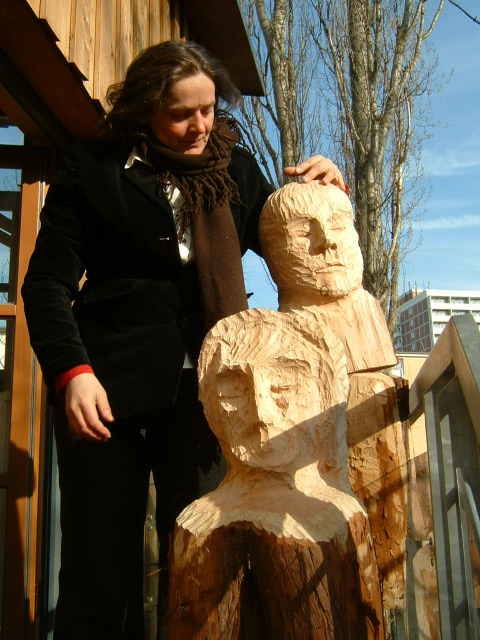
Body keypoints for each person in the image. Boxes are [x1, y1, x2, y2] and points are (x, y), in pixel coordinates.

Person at [21, 40, 346, 640]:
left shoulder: (236, 169)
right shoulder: (93, 170)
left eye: (209, 109)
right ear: (144, 109)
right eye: (181, 114)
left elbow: (291, 241)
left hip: (210, 400)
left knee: (202, 566)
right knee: (99, 574)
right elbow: (44, 286)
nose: (200, 126)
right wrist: (73, 373)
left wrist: (323, 190)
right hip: (106, 395)